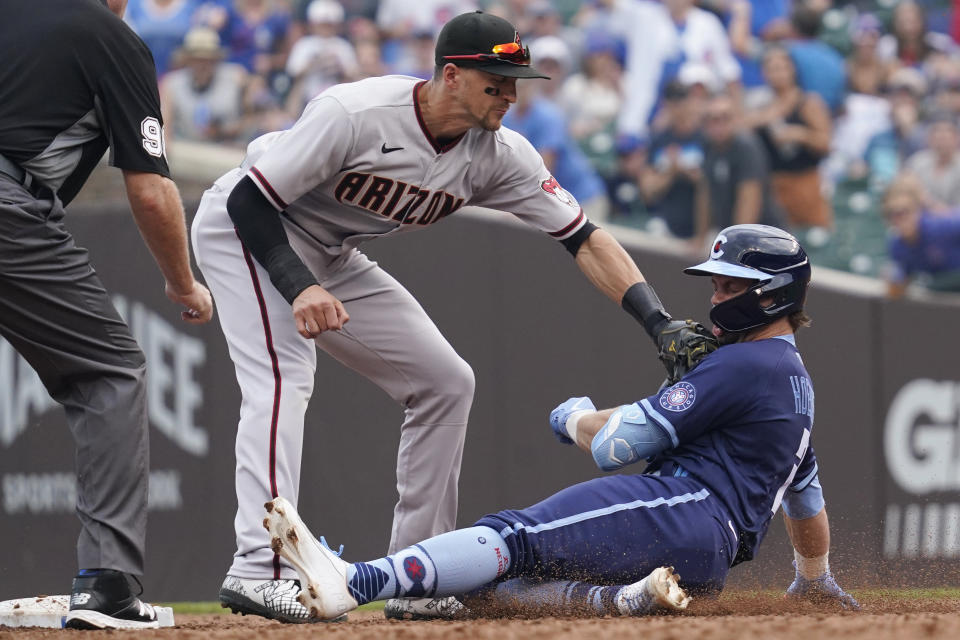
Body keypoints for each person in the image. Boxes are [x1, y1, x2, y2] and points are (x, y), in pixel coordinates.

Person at [192, 10, 699, 624]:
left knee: (446, 383)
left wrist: (658, 320)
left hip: (331, 251)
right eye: (496, 82)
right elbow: (250, 198)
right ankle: (258, 567)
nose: (510, 96)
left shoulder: (501, 154)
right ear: (451, 75)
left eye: (516, 83)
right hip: (249, 230)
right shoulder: (356, 112)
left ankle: (417, 575)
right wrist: (297, 287)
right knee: (282, 379)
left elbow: (584, 237)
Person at [260, 224, 860, 622]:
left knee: (512, 536)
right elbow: (805, 497)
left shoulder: (746, 362)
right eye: (717, 283)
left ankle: (357, 582)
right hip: (705, 553)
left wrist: (573, 416)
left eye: (733, 285)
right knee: (490, 593)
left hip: (680, 508)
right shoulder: (793, 382)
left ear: (772, 294)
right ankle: (621, 601)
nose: (716, 297)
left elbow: (621, 445)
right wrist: (814, 577)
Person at [0, 0, 213, 630]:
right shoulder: (111, 38)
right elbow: (149, 188)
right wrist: (183, 282)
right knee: (109, 372)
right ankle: (107, 585)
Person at [746, 45, 832, 229]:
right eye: (771, 69)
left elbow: (826, 143)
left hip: (804, 185)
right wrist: (763, 119)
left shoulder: (808, 102)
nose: (777, 74)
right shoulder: (761, 105)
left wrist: (800, 134)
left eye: (781, 68)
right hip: (773, 187)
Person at [694, 93, 783, 250]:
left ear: (736, 119)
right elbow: (705, 193)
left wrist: (736, 247)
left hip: (762, 239)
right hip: (728, 233)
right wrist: (700, 237)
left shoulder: (746, 147)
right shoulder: (708, 145)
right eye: (712, 120)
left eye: (725, 118)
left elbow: (749, 199)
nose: (718, 125)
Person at [160, 26, 248, 144]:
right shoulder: (172, 84)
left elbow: (250, 119)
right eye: (197, 59)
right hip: (187, 150)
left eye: (208, 59)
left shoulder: (236, 78)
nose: (203, 65)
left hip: (228, 150)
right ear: (187, 60)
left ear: (216, 59)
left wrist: (222, 130)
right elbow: (165, 126)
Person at [882, 174, 960, 297]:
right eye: (893, 214)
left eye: (905, 211)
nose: (900, 219)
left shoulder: (941, 227)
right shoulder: (897, 246)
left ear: (918, 209)